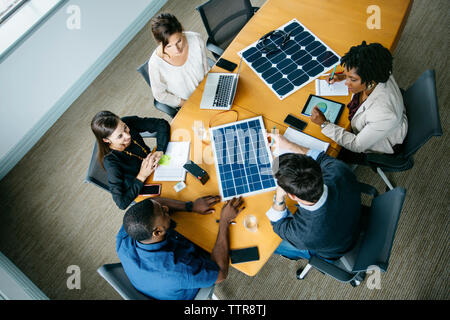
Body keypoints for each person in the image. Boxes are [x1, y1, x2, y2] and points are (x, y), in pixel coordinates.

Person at [116, 195, 245, 300]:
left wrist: (190, 206)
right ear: (157, 232)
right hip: (182, 287)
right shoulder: (179, 270)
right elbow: (221, 274)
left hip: (156, 283)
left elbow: (153, 202)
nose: (166, 208)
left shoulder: (127, 234)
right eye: (163, 212)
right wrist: (224, 221)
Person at [266, 133, 361, 261]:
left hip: (336, 250)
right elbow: (321, 158)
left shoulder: (305, 234)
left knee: (272, 246)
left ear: (292, 196)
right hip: (352, 218)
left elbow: (278, 225)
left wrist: (279, 197)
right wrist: (289, 145)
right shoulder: (339, 170)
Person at [310, 41, 408, 164]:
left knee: (327, 154)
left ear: (371, 80)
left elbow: (357, 145)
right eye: (347, 76)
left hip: (375, 144)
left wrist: (324, 124)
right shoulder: (379, 68)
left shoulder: (384, 114)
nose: (346, 83)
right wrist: (342, 76)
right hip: (374, 123)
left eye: (353, 79)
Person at [91, 111, 170, 210]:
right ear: (106, 140)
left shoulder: (127, 122)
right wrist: (142, 175)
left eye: (125, 128)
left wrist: (160, 149)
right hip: (143, 184)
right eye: (120, 136)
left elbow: (161, 123)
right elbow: (121, 203)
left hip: (156, 165)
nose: (128, 135)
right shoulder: (111, 163)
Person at [148, 13, 209, 109]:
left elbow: (206, 70)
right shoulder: (155, 64)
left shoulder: (196, 39)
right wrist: (185, 103)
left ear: (182, 30)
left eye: (179, 41)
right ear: (159, 43)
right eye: (169, 46)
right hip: (188, 103)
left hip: (207, 90)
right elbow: (159, 95)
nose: (177, 50)